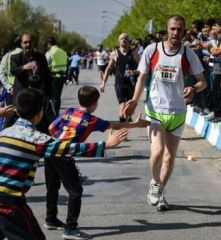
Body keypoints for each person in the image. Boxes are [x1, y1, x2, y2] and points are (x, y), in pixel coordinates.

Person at [0, 88, 126, 240]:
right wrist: (106, 144)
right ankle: (68, 227)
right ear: (40, 113)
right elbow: (71, 148)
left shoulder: (3, 134)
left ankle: (51, 219)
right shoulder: (36, 140)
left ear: (17, 111)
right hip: (10, 203)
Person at [124, 14, 207, 211]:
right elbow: (142, 78)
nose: (176, 33)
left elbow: (202, 81)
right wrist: (135, 100)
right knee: (158, 151)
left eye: (179, 29)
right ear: (166, 29)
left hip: (177, 111)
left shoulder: (188, 54)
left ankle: (160, 191)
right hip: (155, 110)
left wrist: (193, 88)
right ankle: (154, 183)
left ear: (184, 31)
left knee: (170, 157)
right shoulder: (153, 50)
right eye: (172, 29)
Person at [44, 85, 149, 239]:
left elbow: (51, 127)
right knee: (76, 191)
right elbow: (114, 125)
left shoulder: (69, 112)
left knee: (52, 187)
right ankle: (71, 228)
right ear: (94, 104)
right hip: (64, 156)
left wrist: (59, 140)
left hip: (50, 150)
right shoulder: (91, 120)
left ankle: (51, 219)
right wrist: (135, 125)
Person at [9, 33, 53, 134]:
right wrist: (24, 67)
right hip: (21, 94)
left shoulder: (40, 56)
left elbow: (47, 75)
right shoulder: (15, 57)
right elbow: (13, 70)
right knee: (15, 120)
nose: (28, 44)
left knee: (42, 121)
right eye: (25, 42)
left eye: (30, 42)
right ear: (21, 44)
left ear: (33, 43)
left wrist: (49, 94)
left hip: (38, 94)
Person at [100, 33, 140, 122]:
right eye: (121, 38)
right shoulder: (114, 54)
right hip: (119, 83)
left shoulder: (134, 53)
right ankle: (123, 129)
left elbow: (142, 68)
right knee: (122, 105)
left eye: (126, 38)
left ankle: (128, 117)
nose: (124, 40)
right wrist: (103, 83)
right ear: (119, 41)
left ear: (128, 41)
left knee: (129, 107)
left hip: (131, 84)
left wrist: (134, 72)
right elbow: (108, 69)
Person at [46, 37, 68, 115]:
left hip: (53, 77)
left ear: (49, 44)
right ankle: (56, 113)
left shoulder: (51, 52)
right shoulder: (63, 52)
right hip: (61, 77)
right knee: (57, 97)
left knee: (52, 98)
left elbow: (45, 64)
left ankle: (53, 115)